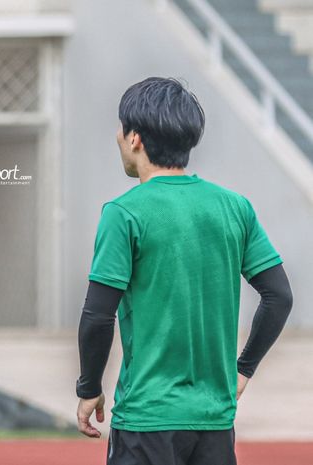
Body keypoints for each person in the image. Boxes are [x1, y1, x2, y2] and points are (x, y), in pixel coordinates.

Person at [75, 77, 293, 465]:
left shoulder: (123, 213)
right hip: (215, 420)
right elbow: (279, 296)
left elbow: (97, 315)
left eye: (120, 128)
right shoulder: (234, 207)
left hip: (147, 419)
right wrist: (243, 370)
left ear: (135, 139)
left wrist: (89, 386)